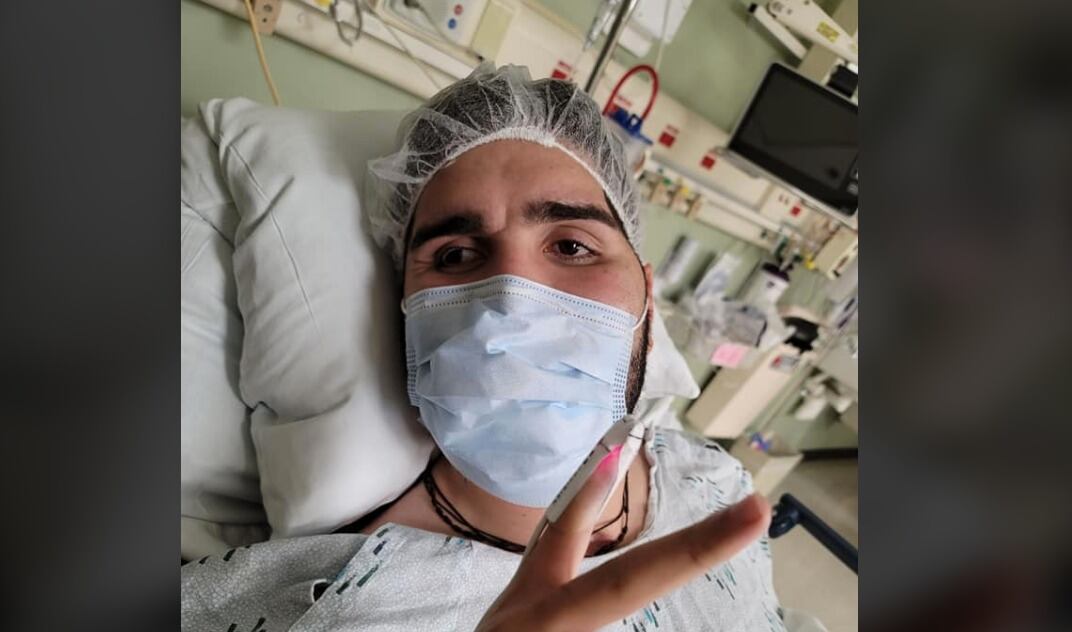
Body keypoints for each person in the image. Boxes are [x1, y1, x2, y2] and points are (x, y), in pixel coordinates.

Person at [182, 64, 784, 632]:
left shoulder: (720, 483)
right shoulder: (335, 599)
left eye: (572, 246)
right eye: (455, 255)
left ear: (646, 298)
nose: (512, 302)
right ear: (405, 309)